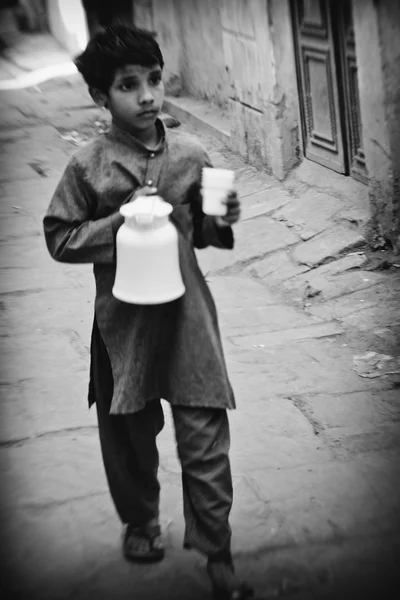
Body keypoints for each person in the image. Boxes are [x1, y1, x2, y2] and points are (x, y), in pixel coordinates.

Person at [43, 23, 253, 600]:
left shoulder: (191, 155)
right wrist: (119, 221)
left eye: (154, 80)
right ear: (100, 97)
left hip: (188, 322)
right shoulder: (88, 167)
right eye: (128, 85)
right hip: (122, 329)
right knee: (130, 439)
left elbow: (206, 232)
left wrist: (220, 216)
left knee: (205, 438)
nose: (147, 97)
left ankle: (218, 553)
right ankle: (141, 520)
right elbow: (60, 236)